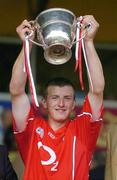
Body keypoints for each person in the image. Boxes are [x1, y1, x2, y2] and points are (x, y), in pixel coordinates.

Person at [9, 15, 105, 180]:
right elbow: (16, 91)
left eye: (67, 98)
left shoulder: (83, 129)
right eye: (54, 98)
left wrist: (88, 42)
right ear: (44, 102)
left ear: (74, 103)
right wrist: (28, 44)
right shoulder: (31, 129)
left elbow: (97, 90)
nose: (61, 103)